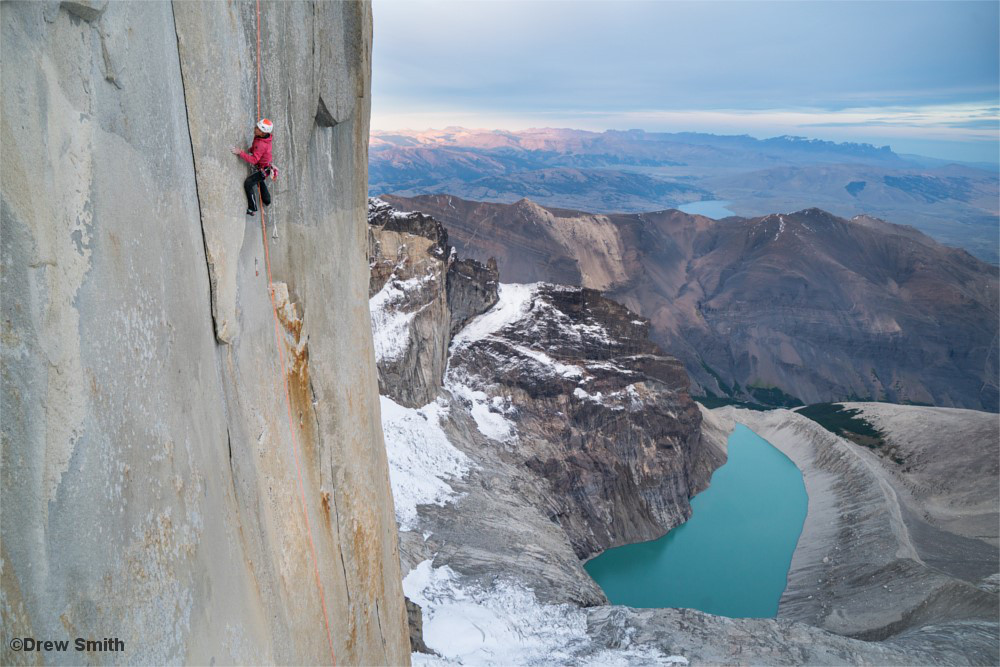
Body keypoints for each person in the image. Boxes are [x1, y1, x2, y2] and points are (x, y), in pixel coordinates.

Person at [231, 118, 278, 216]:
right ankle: (267, 200)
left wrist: (240, 153)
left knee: (248, 183)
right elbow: (255, 146)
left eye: (258, 129)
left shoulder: (261, 144)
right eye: (257, 127)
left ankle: (252, 208)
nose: (255, 128)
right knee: (259, 181)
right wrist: (251, 149)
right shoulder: (263, 137)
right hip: (265, 167)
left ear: (263, 132)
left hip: (263, 169)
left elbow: (254, 160)